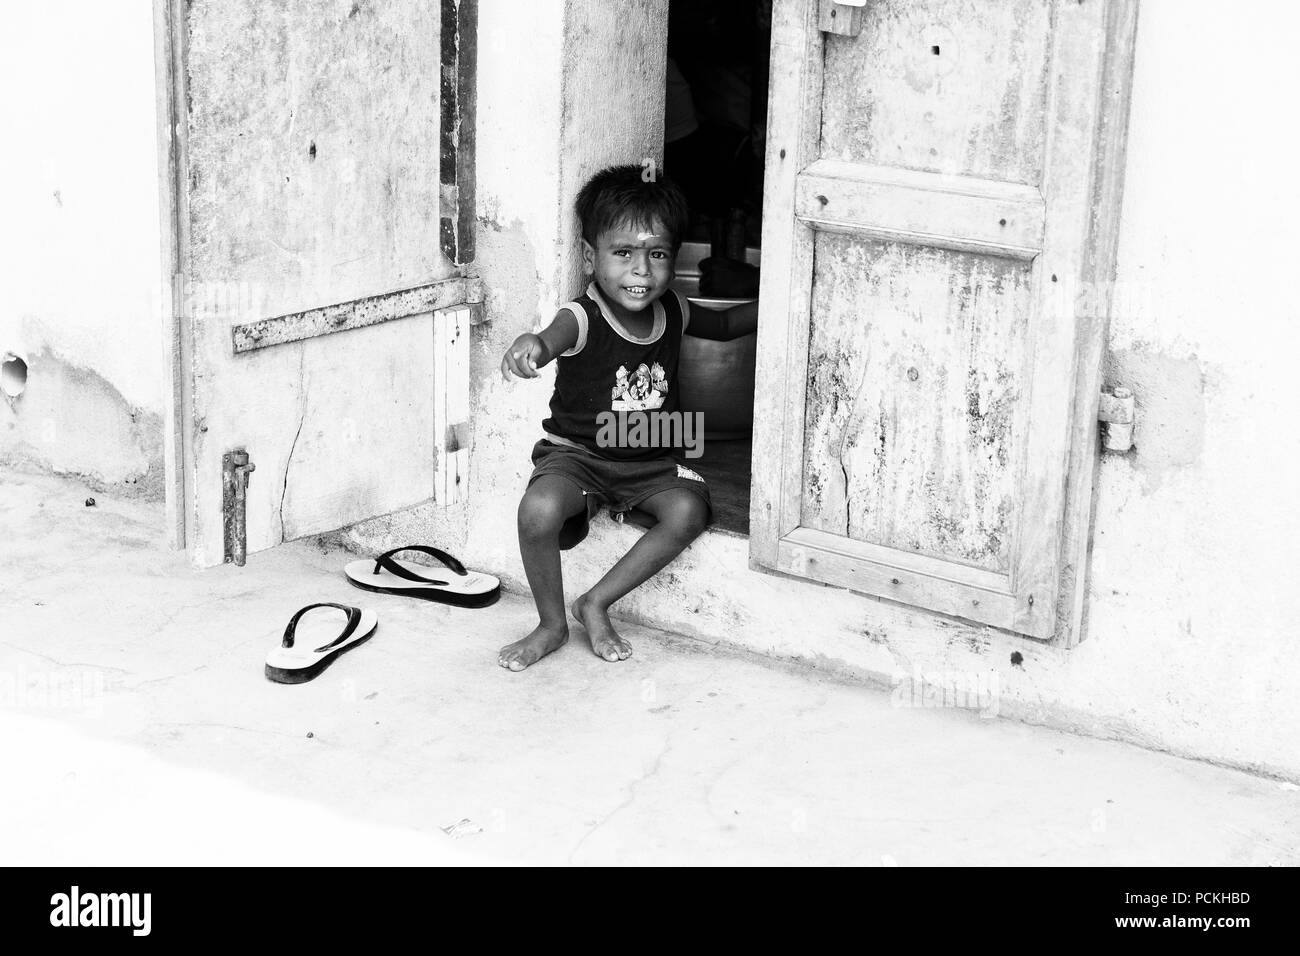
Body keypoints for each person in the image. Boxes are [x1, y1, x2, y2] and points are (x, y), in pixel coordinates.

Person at [498, 165, 758, 672]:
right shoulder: (582, 316)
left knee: (687, 512)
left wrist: (790, 297)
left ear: (673, 258)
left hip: (649, 459)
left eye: (657, 254)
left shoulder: (675, 309)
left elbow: (726, 324)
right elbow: (547, 340)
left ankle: (595, 602)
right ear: (592, 256)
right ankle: (551, 625)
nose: (641, 271)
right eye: (623, 254)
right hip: (578, 457)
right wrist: (530, 347)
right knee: (537, 513)